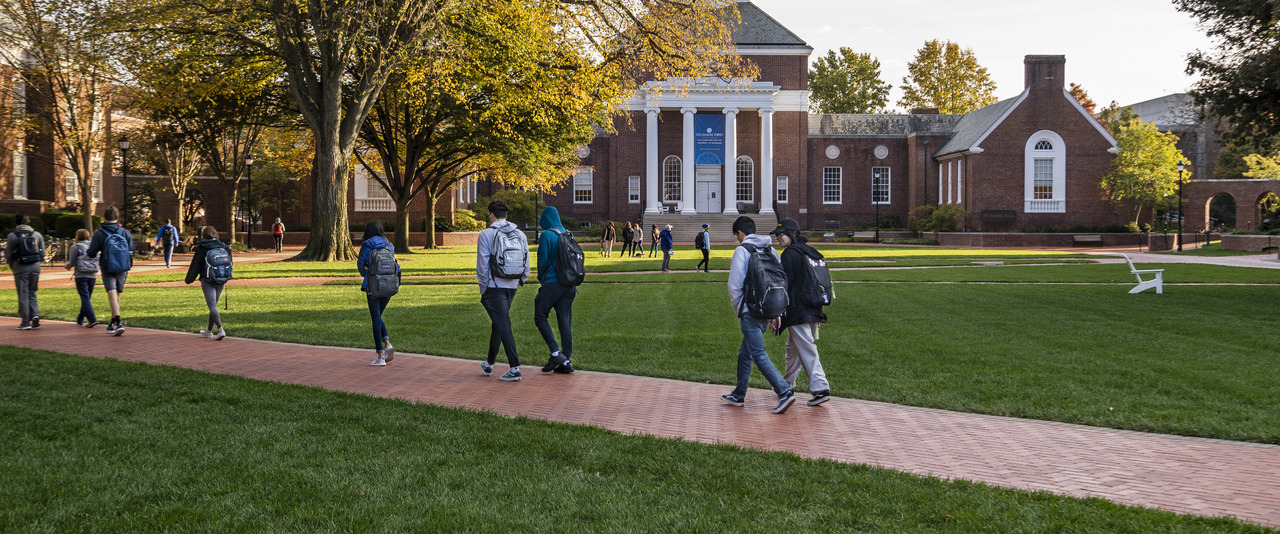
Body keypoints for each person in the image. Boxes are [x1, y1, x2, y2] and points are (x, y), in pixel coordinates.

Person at [722, 216, 796, 414]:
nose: (737, 239)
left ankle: (784, 391)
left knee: (757, 353)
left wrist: (740, 309)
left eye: (736, 236)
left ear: (740, 233)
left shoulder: (742, 250)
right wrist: (776, 311)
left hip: (751, 310)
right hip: (769, 308)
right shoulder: (771, 250)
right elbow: (779, 281)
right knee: (745, 353)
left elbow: (735, 286)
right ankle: (739, 394)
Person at [771, 218, 831, 406]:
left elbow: (784, 286)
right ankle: (786, 383)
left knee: (805, 347)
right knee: (794, 348)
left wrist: (778, 312)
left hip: (798, 309)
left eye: (781, 234)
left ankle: (820, 387)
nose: (778, 238)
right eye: (777, 235)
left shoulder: (789, 254)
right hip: (814, 306)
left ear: (792, 234)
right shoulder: (810, 251)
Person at [476, 199, 529, 381]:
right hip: (512, 284)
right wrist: (521, 279)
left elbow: (482, 265)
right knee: (498, 323)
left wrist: (484, 287)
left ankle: (515, 368)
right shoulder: (520, 234)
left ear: (491, 214)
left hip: (493, 286)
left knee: (503, 325)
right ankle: (489, 363)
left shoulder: (486, 234)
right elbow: (526, 260)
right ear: (506, 214)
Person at [534, 206, 577, 374]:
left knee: (540, 316)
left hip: (552, 283)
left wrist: (541, 278)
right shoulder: (568, 234)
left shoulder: (546, 235)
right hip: (569, 284)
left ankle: (555, 353)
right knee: (565, 322)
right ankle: (566, 361)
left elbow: (543, 260)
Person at [357, 221, 400, 366]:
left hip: (373, 287)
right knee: (378, 316)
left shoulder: (367, 245)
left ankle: (380, 356)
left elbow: (361, 267)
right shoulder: (389, 245)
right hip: (388, 286)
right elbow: (396, 266)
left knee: (375, 319)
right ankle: (387, 343)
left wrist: (367, 274)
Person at [87, 205, 134, 336]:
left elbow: (91, 253)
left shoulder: (99, 233)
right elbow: (131, 251)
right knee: (117, 293)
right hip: (123, 266)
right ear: (117, 217)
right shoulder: (125, 232)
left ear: (104, 217)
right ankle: (113, 322)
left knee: (111, 292)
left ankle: (118, 321)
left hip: (107, 265)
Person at [184, 226, 231, 341]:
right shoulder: (223, 246)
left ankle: (221, 330)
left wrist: (189, 279)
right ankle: (209, 331)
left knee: (212, 306)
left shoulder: (202, 247)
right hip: (221, 278)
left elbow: (196, 265)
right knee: (213, 305)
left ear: (204, 235)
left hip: (208, 279)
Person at [6, 213, 44, 330]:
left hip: (21, 267)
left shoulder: (13, 236)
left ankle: (25, 321)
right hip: (35, 267)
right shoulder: (37, 234)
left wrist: (12, 265)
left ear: (16, 222)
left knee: (23, 294)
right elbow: (42, 253)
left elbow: (8, 253)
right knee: (32, 292)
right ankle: (35, 314)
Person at [64, 228, 99, 328]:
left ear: (77, 236)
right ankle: (80, 318)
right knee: (87, 298)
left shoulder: (76, 247)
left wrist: (67, 267)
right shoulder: (93, 246)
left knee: (85, 297)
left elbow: (71, 261)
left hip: (81, 275)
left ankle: (92, 319)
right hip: (92, 274)